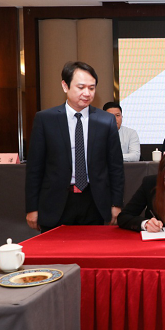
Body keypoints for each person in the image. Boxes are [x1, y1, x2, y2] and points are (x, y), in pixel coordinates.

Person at [25, 61, 125, 232]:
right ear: (65, 86)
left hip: (94, 201)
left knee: (93, 248)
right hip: (56, 202)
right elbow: (35, 168)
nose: (87, 93)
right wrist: (32, 207)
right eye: (81, 87)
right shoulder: (45, 119)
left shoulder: (106, 120)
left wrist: (116, 203)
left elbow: (115, 166)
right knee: (56, 249)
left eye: (92, 88)